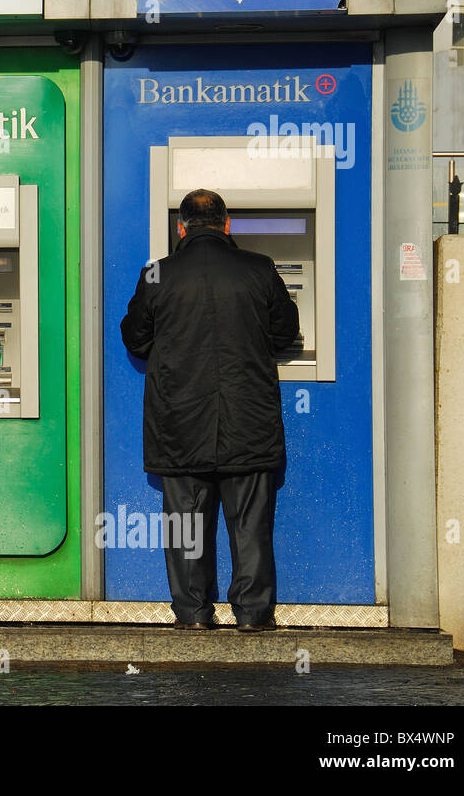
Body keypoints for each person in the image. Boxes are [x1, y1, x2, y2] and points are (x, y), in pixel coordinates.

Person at [119, 188, 299, 632]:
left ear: (181, 227)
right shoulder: (258, 268)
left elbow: (135, 339)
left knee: (186, 525)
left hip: (180, 423)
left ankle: (193, 615)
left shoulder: (158, 274)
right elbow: (285, 333)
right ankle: (254, 615)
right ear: (227, 224)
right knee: (249, 526)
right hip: (249, 420)